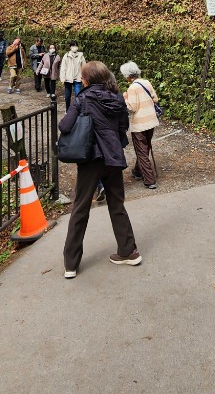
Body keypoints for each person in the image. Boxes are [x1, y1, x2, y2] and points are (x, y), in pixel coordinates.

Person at [60, 61, 141, 278]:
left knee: (80, 207)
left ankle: (71, 264)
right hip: (113, 156)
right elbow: (123, 127)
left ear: (87, 80)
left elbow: (65, 126)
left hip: (91, 158)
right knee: (117, 204)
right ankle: (128, 251)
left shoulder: (82, 98)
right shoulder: (117, 98)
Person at [120, 61, 160, 189]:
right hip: (151, 120)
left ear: (128, 76)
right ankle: (137, 171)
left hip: (139, 124)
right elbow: (155, 99)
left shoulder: (132, 88)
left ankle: (150, 180)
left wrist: (125, 98)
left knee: (141, 150)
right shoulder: (146, 82)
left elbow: (132, 108)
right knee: (145, 147)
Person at [60, 41, 86, 110]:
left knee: (78, 95)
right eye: (73, 46)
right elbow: (63, 68)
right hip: (68, 78)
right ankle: (67, 109)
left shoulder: (81, 56)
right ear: (70, 47)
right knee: (67, 96)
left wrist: (84, 77)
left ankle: (77, 110)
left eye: (76, 46)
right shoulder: (66, 56)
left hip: (78, 78)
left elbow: (84, 67)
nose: (74, 47)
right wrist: (62, 78)